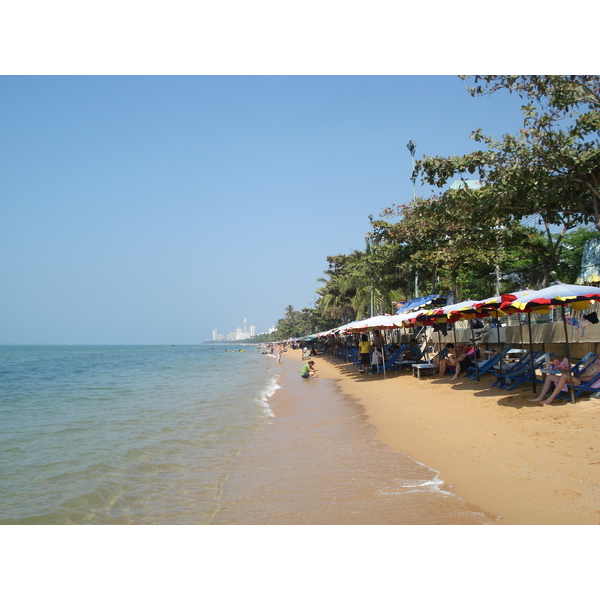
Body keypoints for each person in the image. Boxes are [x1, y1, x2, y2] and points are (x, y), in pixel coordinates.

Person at [528, 357, 600, 405]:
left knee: (564, 376)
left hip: (583, 382)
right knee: (550, 377)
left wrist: (576, 377)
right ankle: (540, 397)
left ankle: (550, 399)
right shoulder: (594, 362)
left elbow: (591, 378)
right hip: (576, 378)